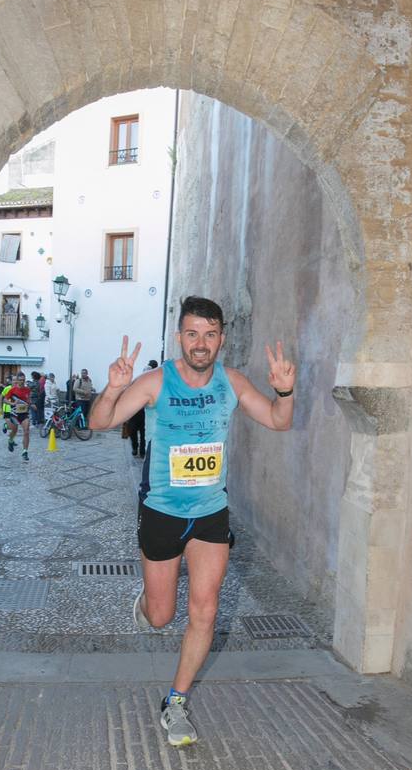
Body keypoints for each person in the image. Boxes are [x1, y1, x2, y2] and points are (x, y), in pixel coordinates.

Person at [89, 296, 296, 747]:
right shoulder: (155, 382)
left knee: (205, 609)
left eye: (209, 334)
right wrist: (112, 389)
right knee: (162, 617)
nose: (200, 343)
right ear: (179, 337)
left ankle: (175, 702)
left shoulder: (232, 382)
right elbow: (100, 423)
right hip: (162, 512)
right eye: (192, 334)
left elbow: (279, 422)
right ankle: (148, 601)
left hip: (209, 514)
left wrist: (284, 391)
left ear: (221, 338)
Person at [127, 360, 158, 457]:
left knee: (144, 433)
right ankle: (135, 447)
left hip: (146, 413)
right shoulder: (135, 383)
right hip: (135, 412)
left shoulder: (154, 384)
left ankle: (142, 451)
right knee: (132, 432)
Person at [4, 371, 32, 462]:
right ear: (17, 380)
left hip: (24, 414)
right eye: (20, 380)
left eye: (23, 380)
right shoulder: (12, 390)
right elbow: (5, 400)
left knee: (26, 431)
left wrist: (30, 403)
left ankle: (25, 452)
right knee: (14, 430)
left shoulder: (27, 389)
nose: (22, 382)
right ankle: (11, 440)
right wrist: (12, 403)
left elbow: (28, 399)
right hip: (14, 414)